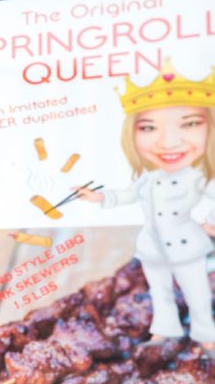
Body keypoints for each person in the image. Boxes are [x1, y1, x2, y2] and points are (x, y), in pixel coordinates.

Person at [77, 61, 215, 355]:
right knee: (159, 292)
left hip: (187, 243)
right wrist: (101, 198)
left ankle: (205, 334)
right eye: (149, 127)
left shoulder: (199, 177)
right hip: (152, 247)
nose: (168, 141)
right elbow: (128, 195)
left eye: (189, 123)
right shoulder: (148, 178)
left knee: (197, 292)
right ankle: (165, 330)